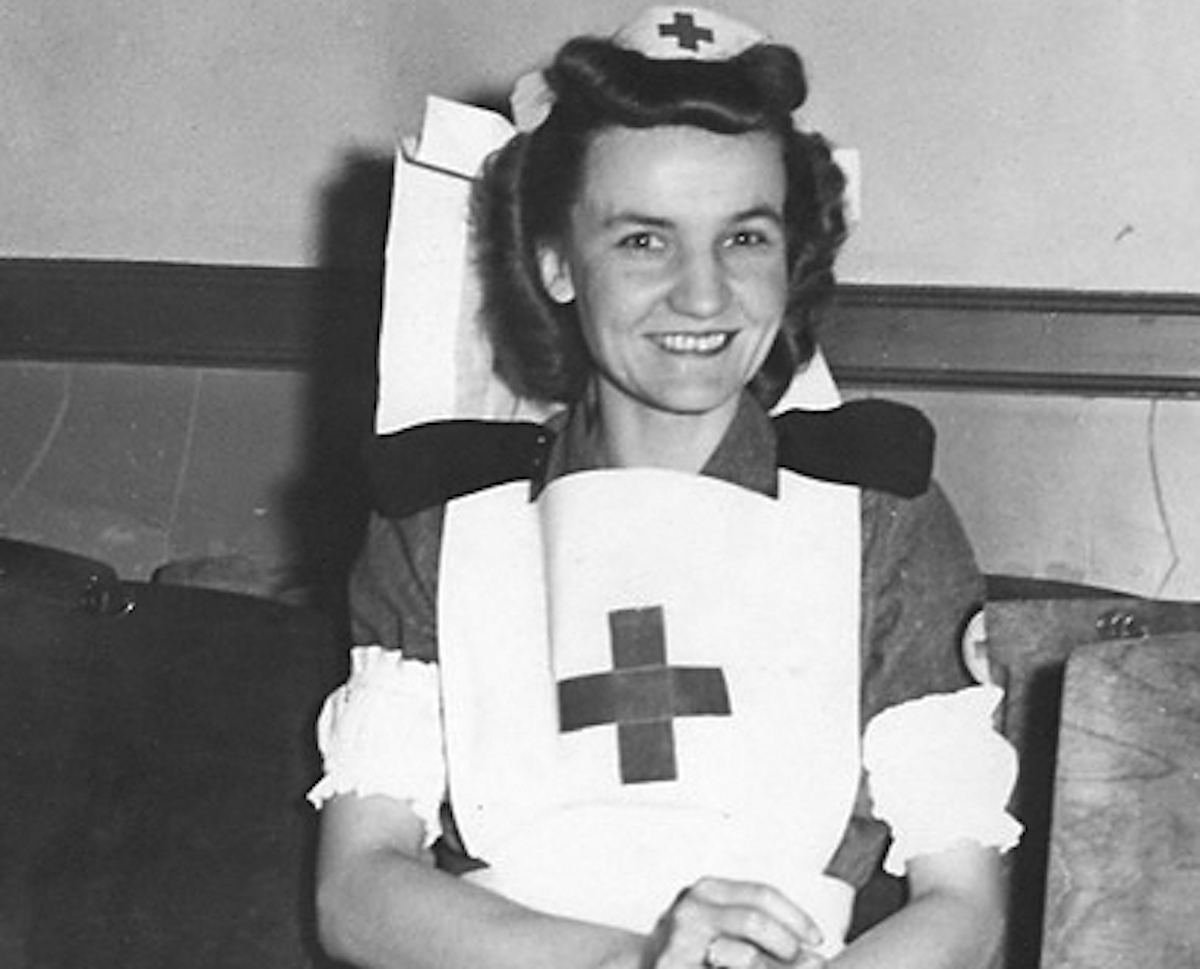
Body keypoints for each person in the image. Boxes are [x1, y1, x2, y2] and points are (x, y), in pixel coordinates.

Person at [308, 6, 1022, 968]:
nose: (703, 294)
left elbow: (965, 905)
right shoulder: (441, 516)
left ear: (792, 256)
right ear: (557, 264)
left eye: (745, 238)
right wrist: (635, 961)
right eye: (644, 241)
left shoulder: (876, 513)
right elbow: (357, 888)